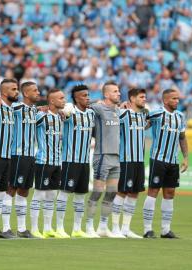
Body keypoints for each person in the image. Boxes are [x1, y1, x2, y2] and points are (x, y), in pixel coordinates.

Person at [142, 89, 189, 239]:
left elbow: (182, 137)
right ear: (165, 100)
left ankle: (165, 229)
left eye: (178, 98)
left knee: (170, 193)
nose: (177, 101)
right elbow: (143, 123)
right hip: (158, 159)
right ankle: (147, 229)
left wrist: (186, 157)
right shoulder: (156, 113)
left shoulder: (180, 116)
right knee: (153, 192)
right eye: (174, 98)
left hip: (173, 161)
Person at [55, 84, 95, 238]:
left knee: (80, 195)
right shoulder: (70, 112)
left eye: (88, 95)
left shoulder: (90, 113)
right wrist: (67, 107)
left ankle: (77, 229)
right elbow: (62, 112)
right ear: (76, 98)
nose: (87, 98)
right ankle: (59, 228)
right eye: (84, 96)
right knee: (64, 193)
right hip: (69, 160)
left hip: (85, 161)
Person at [85, 81, 123, 238]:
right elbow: (84, 106)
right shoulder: (99, 108)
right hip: (102, 156)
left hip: (116, 157)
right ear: (106, 94)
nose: (119, 93)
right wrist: (95, 102)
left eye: (119, 90)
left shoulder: (118, 111)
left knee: (112, 193)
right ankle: (88, 226)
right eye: (115, 91)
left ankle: (102, 227)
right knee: (98, 192)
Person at [5, 81, 40, 238]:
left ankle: (21, 228)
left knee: (24, 191)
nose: (38, 92)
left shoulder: (34, 110)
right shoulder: (16, 108)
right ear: (26, 93)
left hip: (30, 155)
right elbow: (4, 107)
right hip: (17, 154)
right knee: (11, 188)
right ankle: (5, 227)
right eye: (35, 90)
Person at [30, 88, 66, 239]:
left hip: (57, 162)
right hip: (43, 161)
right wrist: (36, 108)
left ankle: (47, 228)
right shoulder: (41, 116)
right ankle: (33, 228)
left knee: (51, 195)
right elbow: (28, 121)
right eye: (61, 98)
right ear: (52, 101)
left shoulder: (60, 117)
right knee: (39, 194)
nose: (64, 100)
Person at [113, 88, 148, 239]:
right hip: (126, 159)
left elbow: (148, 123)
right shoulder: (124, 114)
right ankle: (115, 228)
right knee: (122, 191)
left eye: (145, 97)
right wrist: (118, 108)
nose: (144, 99)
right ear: (132, 99)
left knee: (134, 193)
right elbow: (109, 119)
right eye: (141, 97)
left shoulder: (142, 116)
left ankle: (126, 229)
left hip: (139, 159)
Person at [0, 78, 19, 238]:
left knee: (1, 193)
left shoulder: (12, 110)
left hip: (8, 157)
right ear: (5, 92)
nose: (17, 92)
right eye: (14, 89)